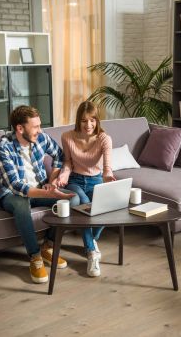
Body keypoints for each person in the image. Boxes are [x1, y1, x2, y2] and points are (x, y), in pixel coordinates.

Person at [0, 105, 79, 284]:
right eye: (35, 126)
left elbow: (59, 156)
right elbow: (16, 185)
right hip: (12, 194)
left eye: (40, 125)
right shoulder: (3, 147)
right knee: (22, 204)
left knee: (74, 199)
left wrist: (52, 181)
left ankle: (49, 245)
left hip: (40, 187)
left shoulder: (41, 138)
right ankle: (35, 256)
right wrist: (51, 195)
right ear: (20, 128)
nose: (40, 130)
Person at [57, 101, 116, 277]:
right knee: (84, 203)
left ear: (97, 121)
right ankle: (91, 253)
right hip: (75, 180)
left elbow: (107, 167)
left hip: (96, 180)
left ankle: (92, 239)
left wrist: (107, 177)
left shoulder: (104, 138)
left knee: (109, 207)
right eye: (84, 120)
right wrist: (63, 175)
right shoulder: (67, 136)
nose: (88, 125)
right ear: (78, 120)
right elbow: (67, 161)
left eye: (92, 120)